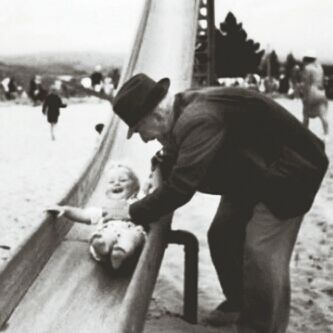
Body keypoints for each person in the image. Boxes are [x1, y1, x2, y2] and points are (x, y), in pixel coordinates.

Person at [110, 73, 328, 333]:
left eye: (139, 130)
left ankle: (261, 327)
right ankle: (238, 303)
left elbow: (180, 189)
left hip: (289, 173)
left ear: (156, 116)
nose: (144, 139)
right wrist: (157, 167)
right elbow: (173, 150)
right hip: (253, 171)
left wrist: (130, 211)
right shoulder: (181, 109)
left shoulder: (199, 118)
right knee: (223, 234)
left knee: (261, 255)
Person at [47, 163, 147, 270]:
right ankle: (102, 245)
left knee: (131, 236)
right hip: (110, 230)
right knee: (106, 234)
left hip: (131, 231)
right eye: (111, 182)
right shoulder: (105, 209)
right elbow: (83, 215)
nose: (117, 183)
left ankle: (121, 252)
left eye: (123, 180)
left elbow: (150, 198)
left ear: (135, 187)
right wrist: (66, 210)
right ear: (107, 192)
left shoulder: (138, 203)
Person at [300, 50, 329, 142]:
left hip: (312, 93)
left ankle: (303, 134)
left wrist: (304, 96)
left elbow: (306, 84)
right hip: (321, 92)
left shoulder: (307, 68)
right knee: (323, 116)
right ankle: (326, 134)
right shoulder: (320, 68)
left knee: (306, 115)